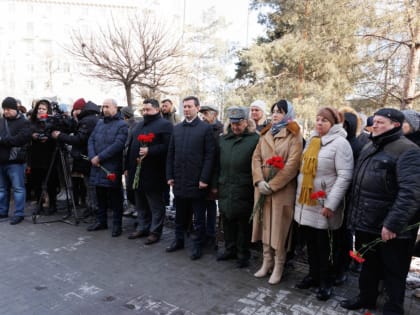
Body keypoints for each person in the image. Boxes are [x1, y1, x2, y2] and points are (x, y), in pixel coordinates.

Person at [341, 108, 420, 314]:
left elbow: (411, 193)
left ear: (395, 125)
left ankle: (393, 309)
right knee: (369, 266)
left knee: (394, 271)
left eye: (380, 122)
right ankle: (366, 299)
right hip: (367, 221)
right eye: (374, 121)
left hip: (390, 227)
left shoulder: (408, 150)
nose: (374, 125)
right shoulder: (370, 146)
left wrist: (393, 224)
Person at [294, 107, 353, 301]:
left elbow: (344, 176)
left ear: (333, 124)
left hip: (324, 205)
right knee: (311, 243)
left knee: (325, 246)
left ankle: (326, 282)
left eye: (324, 120)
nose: (319, 123)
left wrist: (331, 204)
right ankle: (313, 275)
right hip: (306, 203)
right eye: (318, 119)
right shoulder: (312, 141)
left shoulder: (340, 144)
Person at [251, 100, 303, 283]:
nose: (275, 115)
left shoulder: (294, 134)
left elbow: (292, 165)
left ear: (288, 114)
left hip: (282, 191)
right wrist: (259, 181)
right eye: (273, 111)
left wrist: (272, 185)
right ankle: (266, 262)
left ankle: (279, 266)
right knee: (265, 225)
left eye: (279, 112)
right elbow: (256, 158)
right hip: (262, 188)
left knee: (279, 229)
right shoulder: (265, 133)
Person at [165, 96, 215, 260]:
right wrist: (170, 175)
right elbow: (171, 154)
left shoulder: (205, 129)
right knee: (179, 215)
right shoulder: (177, 128)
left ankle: (197, 245)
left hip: (197, 182)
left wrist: (204, 179)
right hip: (179, 179)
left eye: (189, 106)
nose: (186, 109)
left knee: (199, 218)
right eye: (184, 107)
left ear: (197, 108)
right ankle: (178, 240)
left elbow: (209, 156)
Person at [215, 106, 259, 268]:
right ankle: (229, 249)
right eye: (233, 124)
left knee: (243, 223)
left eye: (239, 124)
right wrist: (215, 185)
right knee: (226, 219)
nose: (235, 127)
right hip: (225, 186)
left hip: (244, 187)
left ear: (246, 122)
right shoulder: (223, 139)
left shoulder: (255, 139)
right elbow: (216, 164)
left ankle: (243, 254)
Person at [125, 99, 173, 245]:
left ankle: (155, 231)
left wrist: (150, 150)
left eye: (148, 110)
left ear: (157, 110)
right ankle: (142, 227)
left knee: (155, 205)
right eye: (143, 110)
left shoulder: (165, 125)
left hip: (154, 173)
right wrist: (127, 167)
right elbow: (130, 146)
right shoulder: (138, 125)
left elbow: (169, 147)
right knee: (140, 204)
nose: (145, 112)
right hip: (136, 173)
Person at [87, 98, 128, 237]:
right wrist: (93, 156)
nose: (104, 109)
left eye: (107, 106)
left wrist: (99, 157)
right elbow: (91, 140)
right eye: (103, 106)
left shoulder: (122, 124)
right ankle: (101, 221)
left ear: (115, 108)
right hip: (97, 165)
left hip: (111, 166)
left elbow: (118, 145)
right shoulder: (99, 123)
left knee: (115, 198)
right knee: (100, 196)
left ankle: (117, 225)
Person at [51, 98, 100, 214]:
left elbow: (79, 139)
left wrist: (60, 136)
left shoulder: (86, 121)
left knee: (90, 185)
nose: (75, 112)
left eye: (77, 109)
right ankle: (92, 207)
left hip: (86, 156)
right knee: (90, 184)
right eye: (74, 109)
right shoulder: (92, 118)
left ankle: (94, 208)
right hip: (89, 155)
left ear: (82, 109)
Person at [0, 97, 31, 224]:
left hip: (16, 161)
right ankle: (2, 212)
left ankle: (19, 214)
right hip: (1, 160)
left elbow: (20, 140)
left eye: (8, 109)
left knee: (18, 188)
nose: (6, 111)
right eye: (4, 109)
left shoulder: (24, 122)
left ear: (15, 109)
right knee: (2, 189)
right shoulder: (1, 121)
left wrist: (2, 140)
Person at [28, 99, 60, 215]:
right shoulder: (32, 122)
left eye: (44, 109)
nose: (41, 110)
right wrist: (33, 136)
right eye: (39, 108)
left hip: (49, 156)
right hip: (36, 156)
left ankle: (52, 205)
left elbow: (57, 135)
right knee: (37, 182)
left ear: (48, 110)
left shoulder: (52, 121)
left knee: (51, 182)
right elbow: (26, 134)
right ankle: (39, 204)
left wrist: (49, 137)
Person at [199, 104, 223, 247]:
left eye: (206, 113)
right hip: (202, 173)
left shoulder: (221, 130)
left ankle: (211, 235)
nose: (203, 116)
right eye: (202, 113)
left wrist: (214, 183)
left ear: (214, 114)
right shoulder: (203, 128)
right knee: (202, 205)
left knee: (211, 206)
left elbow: (217, 157)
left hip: (214, 174)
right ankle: (203, 234)